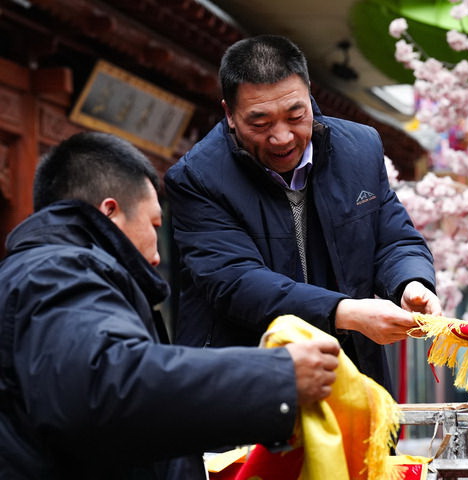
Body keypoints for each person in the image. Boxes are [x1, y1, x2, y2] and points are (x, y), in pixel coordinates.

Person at [0, 131, 340, 479]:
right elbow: (107, 387)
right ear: (111, 212)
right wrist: (276, 377)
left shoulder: (50, 272)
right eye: (154, 225)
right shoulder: (54, 271)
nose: (157, 256)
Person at [164, 34, 442, 393]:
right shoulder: (197, 177)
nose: (282, 137)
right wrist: (345, 312)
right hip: (245, 383)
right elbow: (236, 282)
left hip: (352, 377)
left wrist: (411, 283)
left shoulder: (360, 149)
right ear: (229, 114)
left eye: (295, 116)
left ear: (309, 95)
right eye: (260, 124)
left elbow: (393, 239)